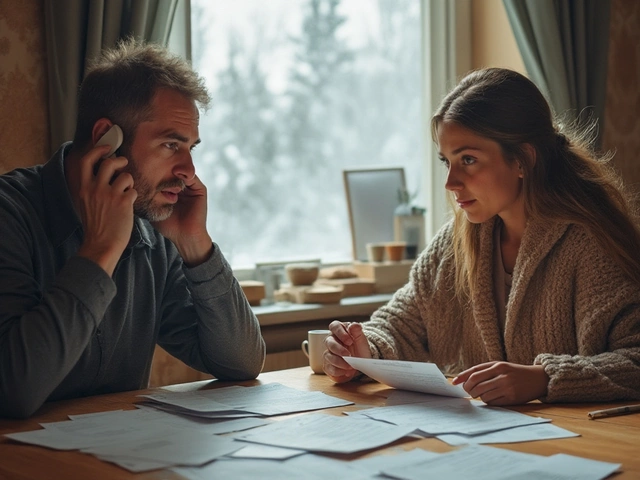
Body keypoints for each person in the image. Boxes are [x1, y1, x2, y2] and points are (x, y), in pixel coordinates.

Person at [324, 67, 640, 406]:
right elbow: (401, 324)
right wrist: (362, 349)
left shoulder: (590, 244)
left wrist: (544, 379)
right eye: (447, 161)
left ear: (523, 159)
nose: (451, 182)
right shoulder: (458, 241)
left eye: (468, 160)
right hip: (489, 445)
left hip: (582, 448)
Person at [0, 38, 265, 419]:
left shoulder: (154, 228)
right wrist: (100, 251)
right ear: (106, 139)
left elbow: (241, 363)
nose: (188, 171)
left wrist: (196, 246)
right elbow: (13, 392)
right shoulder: (10, 216)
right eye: (171, 145)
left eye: (192, 148)